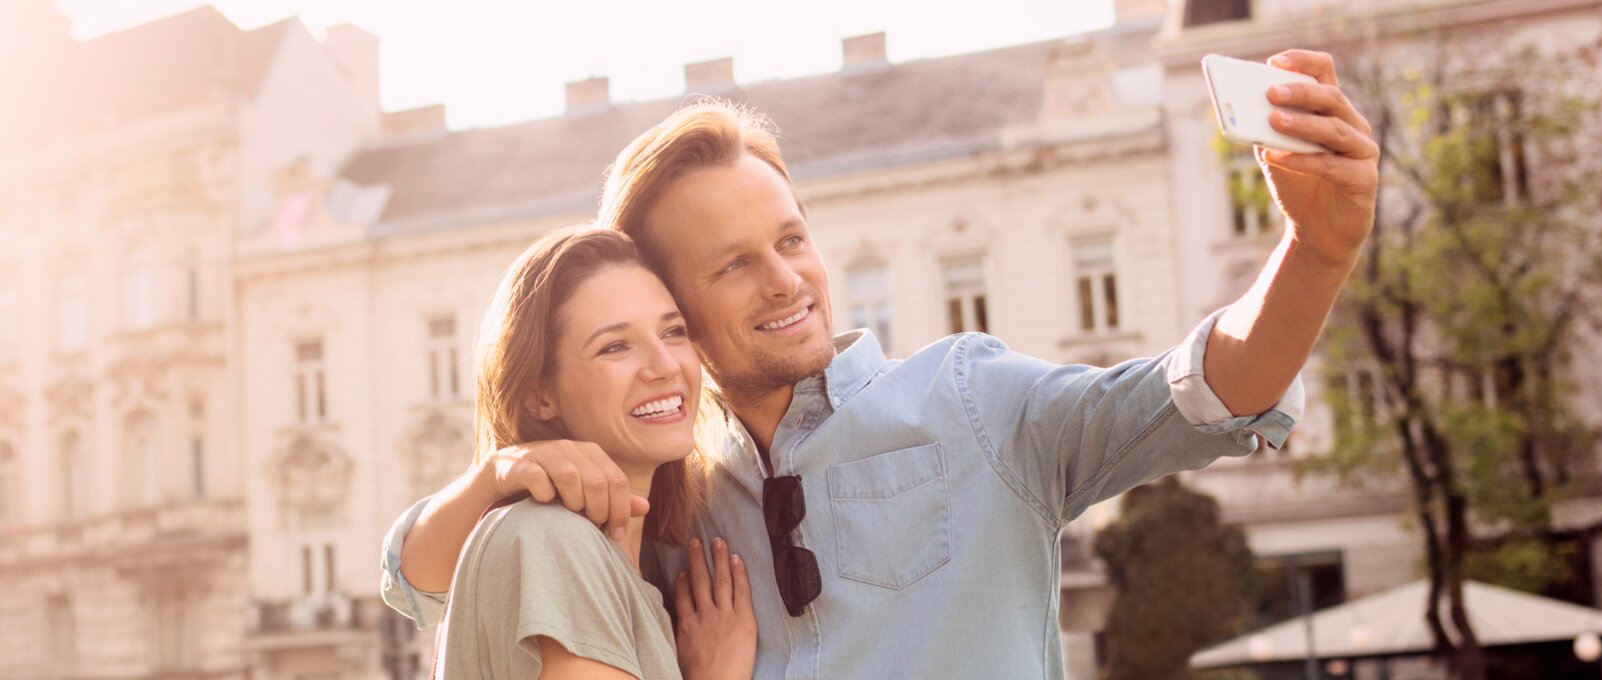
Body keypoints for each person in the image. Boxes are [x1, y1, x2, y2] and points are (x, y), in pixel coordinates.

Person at [381, 49, 1379, 678]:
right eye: (733, 264)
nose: (787, 280)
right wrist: (497, 470)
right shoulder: (666, 497)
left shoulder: (973, 399)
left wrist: (1316, 250)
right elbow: (424, 577)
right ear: (676, 309)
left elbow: (1207, 386)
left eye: (792, 238)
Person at [431, 228, 755, 680]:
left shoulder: (613, 563)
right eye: (615, 346)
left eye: (673, 331)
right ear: (539, 397)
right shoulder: (552, 541)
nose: (665, 365)